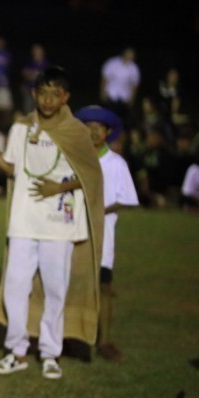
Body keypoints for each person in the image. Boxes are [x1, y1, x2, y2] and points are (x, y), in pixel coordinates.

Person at [0, 66, 104, 379]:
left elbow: (90, 174)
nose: (48, 100)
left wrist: (58, 188)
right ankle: (17, 349)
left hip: (58, 222)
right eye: (43, 93)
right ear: (34, 94)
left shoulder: (75, 131)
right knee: (15, 286)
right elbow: (11, 168)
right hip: (24, 219)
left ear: (65, 97)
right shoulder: (22, 127)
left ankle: (50, 352)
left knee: (55, 289)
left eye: (55, 94)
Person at [75, 106, 139, 361]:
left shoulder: (116, 163)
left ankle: (105, 341)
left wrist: (98, 209)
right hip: (74, 231)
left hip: (103, 234)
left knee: (104, 285)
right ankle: (74, 337)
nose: (93, 132)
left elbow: (127, 198)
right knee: (74, 284)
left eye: (98, 128)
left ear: (108, 132)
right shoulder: (75, 157)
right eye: (88, 127)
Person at [100, 47, 140, 128]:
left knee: (120, 122)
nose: (131, 56)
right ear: (124, 53)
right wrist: (102, 93)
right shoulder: (112, 63)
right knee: (107, 121)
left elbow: (134, 85)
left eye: (133, 54)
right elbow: (105, 79)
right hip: (110, 97)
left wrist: (132, 100)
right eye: (130, 54)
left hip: (124, 100)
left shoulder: (134, 68)